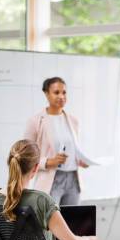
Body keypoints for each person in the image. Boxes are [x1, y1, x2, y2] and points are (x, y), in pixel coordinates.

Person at [24, 77, 89, 205]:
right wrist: (48, 162)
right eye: (56, 92)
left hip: (73, 179)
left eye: (64, 92)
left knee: (72, 222)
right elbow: (26, 156)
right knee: (50, 223)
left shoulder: (74, 121)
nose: (61, 96)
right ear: (46, 94)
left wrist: (80, 160)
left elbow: (74, 149)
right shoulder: (35, 121)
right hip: (50, 179)